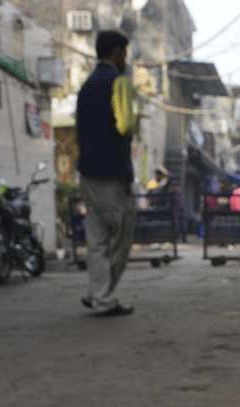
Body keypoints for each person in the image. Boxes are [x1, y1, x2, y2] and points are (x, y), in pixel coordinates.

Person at [76, 30, 136, 317]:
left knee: (97, 238)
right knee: (121, 236)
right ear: (115, 52)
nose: (126, 59)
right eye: (124, 53)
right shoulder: (119, 82)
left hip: (87, 173)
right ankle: (102, 296)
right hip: (112, 173)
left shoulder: (86, 86)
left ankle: (96, 292)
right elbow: (125, 125)